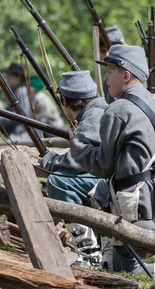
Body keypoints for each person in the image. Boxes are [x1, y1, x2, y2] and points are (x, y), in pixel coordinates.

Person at [70, 45, 155, 274]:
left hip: (132, 203)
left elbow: (102, 166)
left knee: (125, 272)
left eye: (111, 71)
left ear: (126, 75)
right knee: (126, 266)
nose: (107, 78)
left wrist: (77, 144)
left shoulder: (118, 109)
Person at [39, 71, 108, 266]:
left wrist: (50, 160)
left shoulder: (94, 116)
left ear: (65, 101)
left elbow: (78, 162)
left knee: (58, 181)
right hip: (111, 178)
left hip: (113, 182)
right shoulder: (97, 111)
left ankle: (88, 250)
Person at [0, 63, 34, 142]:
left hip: (21, 131)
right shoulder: (14, 91)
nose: (7, 78)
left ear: (18, 77)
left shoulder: (22, 91)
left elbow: (21, 116)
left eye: (10, 75)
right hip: (15, 128)